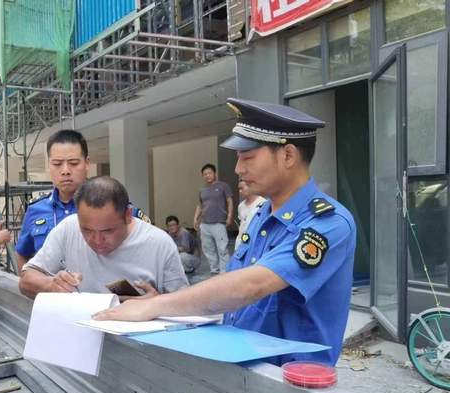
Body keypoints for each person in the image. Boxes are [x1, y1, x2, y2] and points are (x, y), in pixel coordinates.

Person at [94, 98, 357, 367]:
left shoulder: (328, 223)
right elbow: (230, 291)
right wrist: (164, 302)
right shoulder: (263, 214)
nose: (238, 169)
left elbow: (250, 286)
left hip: (289, 377)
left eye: (248, 157)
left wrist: (154, 306)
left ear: (288, 156)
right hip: (244, 363)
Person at [19, 176, 188, 298]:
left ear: (128, 215)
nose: (97, 241)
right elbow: (26, 280)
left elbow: (186, 307)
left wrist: (156, 304)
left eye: (108, 231)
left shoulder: (160, 244)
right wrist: (51, 285)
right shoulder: (68, 229)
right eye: (87, 230)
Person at [15, 130, 150, 272]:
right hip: (53, 286)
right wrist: (31, 281)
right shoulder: (36, 210)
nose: (65, 171)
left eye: (73, 163)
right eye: (57, 164)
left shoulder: (112, 203)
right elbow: (22, 253)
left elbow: (149, 245)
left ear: (87, 163)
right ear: (49, 165)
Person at [193, 163, 233, 274]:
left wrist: (229, 216)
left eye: (209, 173)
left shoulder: (223, 186)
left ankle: (225, 271)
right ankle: (214, 270)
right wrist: (195, 218)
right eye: (205, 174)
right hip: (204, 224)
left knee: (222, 248)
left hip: (218, 223)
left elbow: (229, 201)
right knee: (208, 249)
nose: (207, 176)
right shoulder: (202, 190)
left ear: (215, 173)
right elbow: (200, 205)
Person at [236, 180, 266, 250]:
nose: (240, 191)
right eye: (239, 189)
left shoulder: (263, 204)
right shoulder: (241, 206)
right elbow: (242, 224)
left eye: (241, 188)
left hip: (256, 244)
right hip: (241, 243)